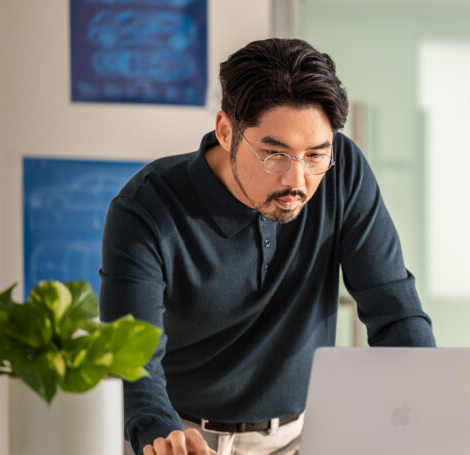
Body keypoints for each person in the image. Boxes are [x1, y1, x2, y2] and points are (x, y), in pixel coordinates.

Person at [99, 38, 436, 455]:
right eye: (274, 154)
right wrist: (161, 434)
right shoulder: (146, 209)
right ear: (226, 131)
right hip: (184, 437)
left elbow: (394, 310)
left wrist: (431, 410)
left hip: (302, 436)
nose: (297, 180)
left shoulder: (343, 172)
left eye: (315, 155)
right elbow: (134, 360)